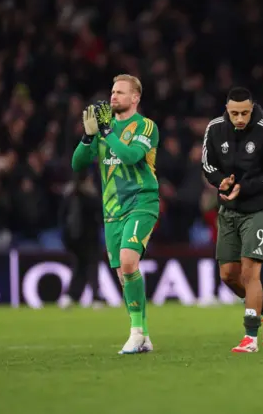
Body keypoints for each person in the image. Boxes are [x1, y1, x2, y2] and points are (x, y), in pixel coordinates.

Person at [71, 74, 159, 354]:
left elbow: (131, 156)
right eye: (112, 91)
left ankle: (134, 333)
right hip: (111, 209)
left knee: (128, 261)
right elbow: (77, 164)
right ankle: (144, 335)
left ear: (135, 98)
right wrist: (88, 137)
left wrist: (107, 132)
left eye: (120, 92)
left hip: (142, 201)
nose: (113, 96)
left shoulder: (146, 126)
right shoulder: (101, 129)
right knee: (124, 274)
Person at [202, 87, 263, 353]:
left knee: (251, 273)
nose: (240, 118)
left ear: (253, 108)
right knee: (228, 275)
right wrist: (220, 181)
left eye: (245, 113)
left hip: (258, 210)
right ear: (227, 109)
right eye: (235, 113)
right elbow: (207, 164)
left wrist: (245, 188)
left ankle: (250, 337)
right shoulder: (214, 129)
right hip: (228, 211)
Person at [58, 169, 104, 309]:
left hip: (72, 240)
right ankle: (96, 298)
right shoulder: (91, 197)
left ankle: (70, 296)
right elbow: (101, 216)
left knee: (80, 267)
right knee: (91, 267)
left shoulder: (69, 195)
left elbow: (61, 217)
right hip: (89, 239)